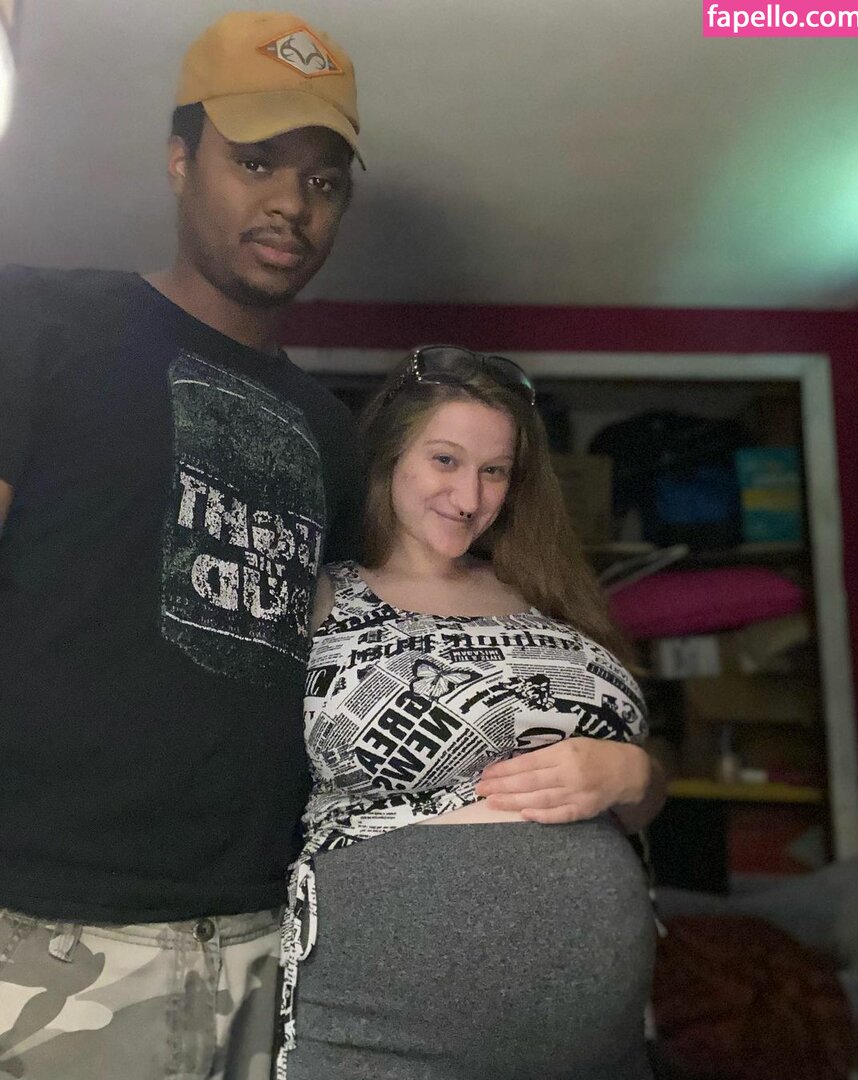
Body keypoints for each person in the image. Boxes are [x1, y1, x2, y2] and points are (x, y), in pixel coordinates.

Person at [0, 11, 366, 1078]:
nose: (292, 202)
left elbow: (340, 660)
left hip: (264, 934)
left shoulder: (334, 433)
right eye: (256, 162)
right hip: (46, 926)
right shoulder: (38, 322)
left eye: (323, 180)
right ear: (178, 159)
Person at [279, 346, 666, 1080]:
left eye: (495, 471)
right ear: (389, 455)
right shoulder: (318, 595)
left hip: (597, 1043)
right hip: (382, 1028)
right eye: (445, 461)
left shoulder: (551, 595)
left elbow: (640, 802)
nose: (469, 497)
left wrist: (633, 774)